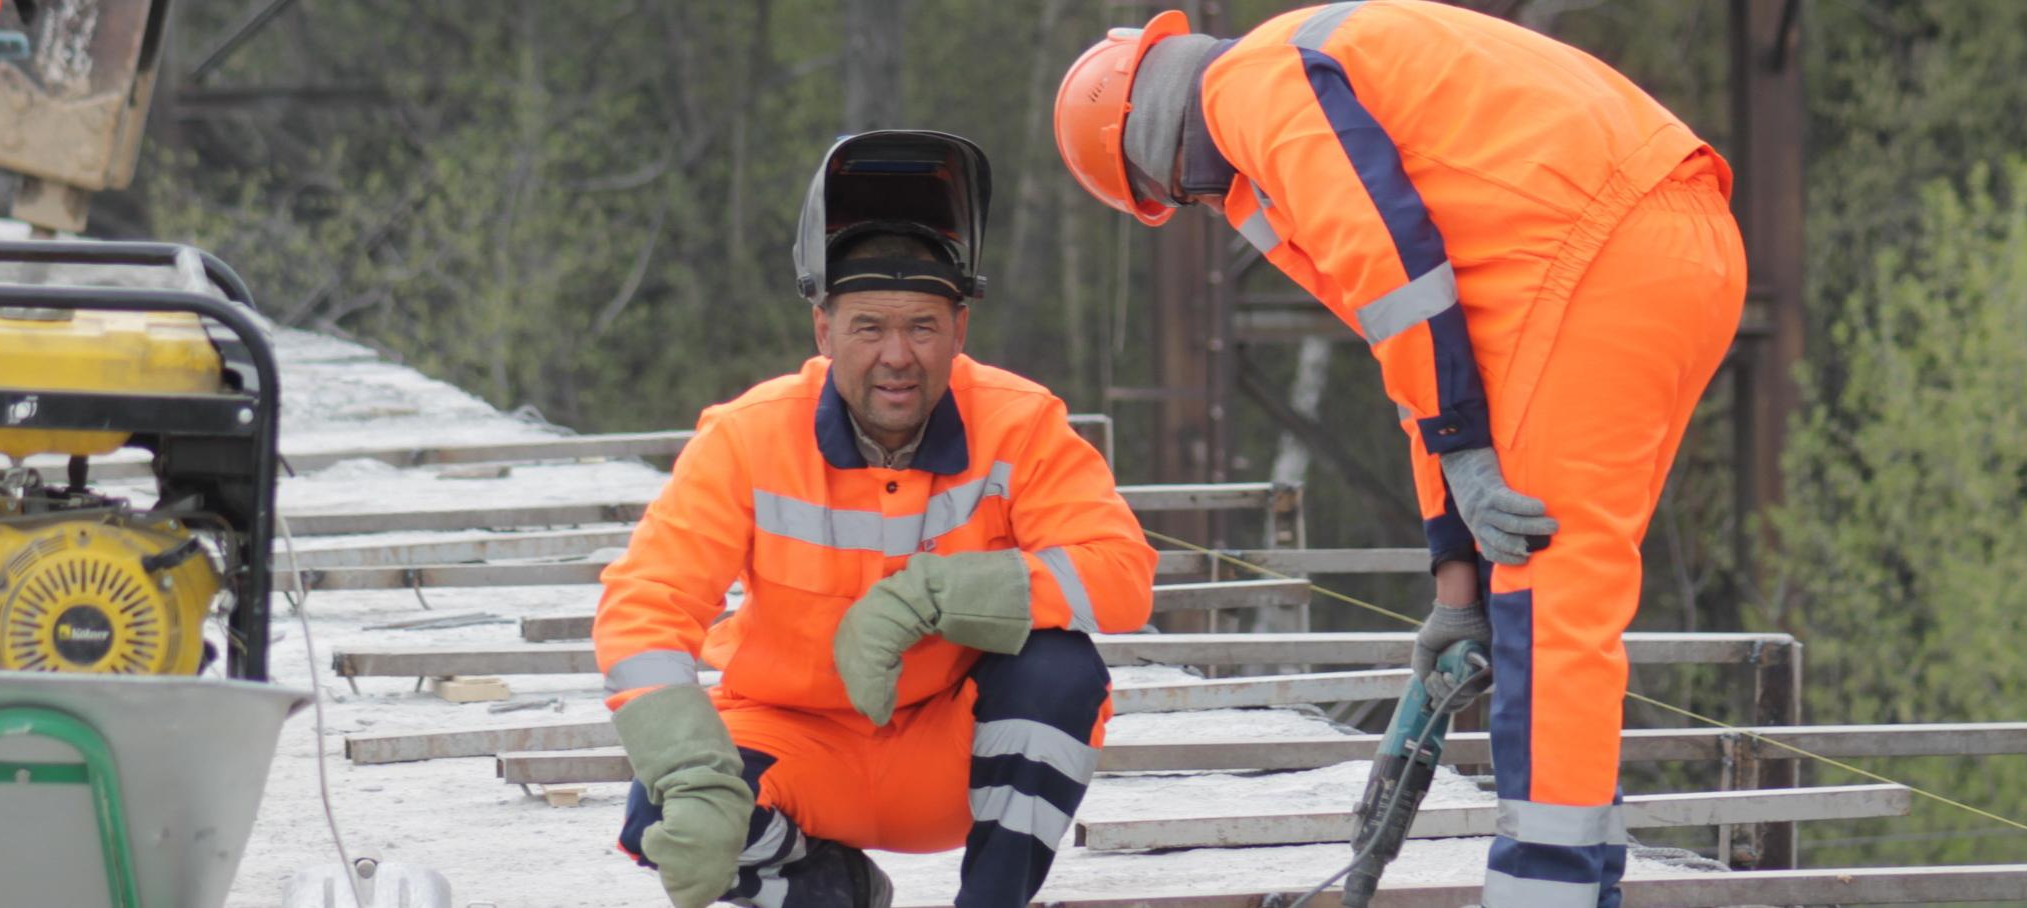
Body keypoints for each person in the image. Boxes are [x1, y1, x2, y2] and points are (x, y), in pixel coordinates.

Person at [1050, 2, 1746, 904]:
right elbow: (1414, 352)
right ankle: (1582, 883)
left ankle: (1546, 887)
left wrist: (1460, 449)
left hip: (1594, 264)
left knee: (1545, 605)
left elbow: (1391, 276)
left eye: (1175, 195)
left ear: (1150, 146)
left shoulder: (1253, 86)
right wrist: (1455, 582)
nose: (1198, 206)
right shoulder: (1310, 55)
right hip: (1665, 248)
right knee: (1550, 596)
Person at [594, 130, 1158, 908]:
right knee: (664, 813)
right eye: (869, 327)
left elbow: (1123, 576)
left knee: (1060, 670)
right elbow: (642, 611)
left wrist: (930, 595)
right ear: (824, 333)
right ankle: (835, 889)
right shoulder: (748, 434)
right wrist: (693, 774)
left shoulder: (1021, 423)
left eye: (923, 327)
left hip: (949, 751)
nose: (898, 354)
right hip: (793, 743)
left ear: (959, 333)